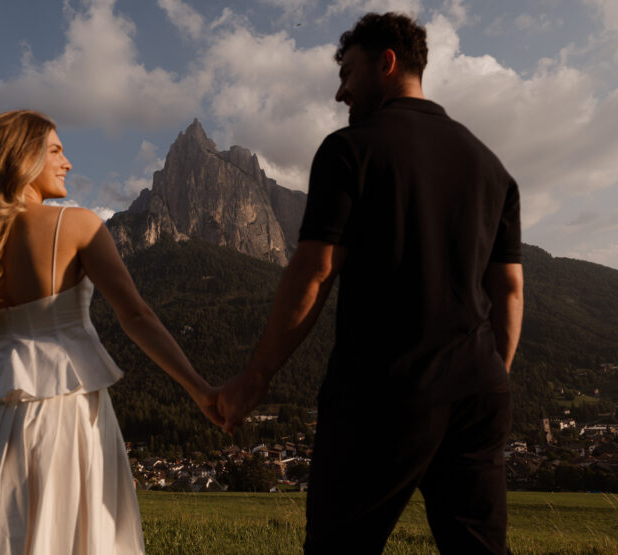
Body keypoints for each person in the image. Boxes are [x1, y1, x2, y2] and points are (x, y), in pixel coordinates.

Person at [217, 12, 523, 554]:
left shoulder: (350, 149)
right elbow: (510, 292)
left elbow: (313, 272)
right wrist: (491, 372)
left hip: (383, 391)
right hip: (479, 394)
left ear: (386, 64)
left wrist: (254, 379)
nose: (340, 93)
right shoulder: (494, 168)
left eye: (349, 74)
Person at [0, 110, 223, 554]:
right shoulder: (76, 224)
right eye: (56, 150)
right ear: (23, 158)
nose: (68, 163)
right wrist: (199, 389)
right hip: (64, 413)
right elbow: (135, 316)